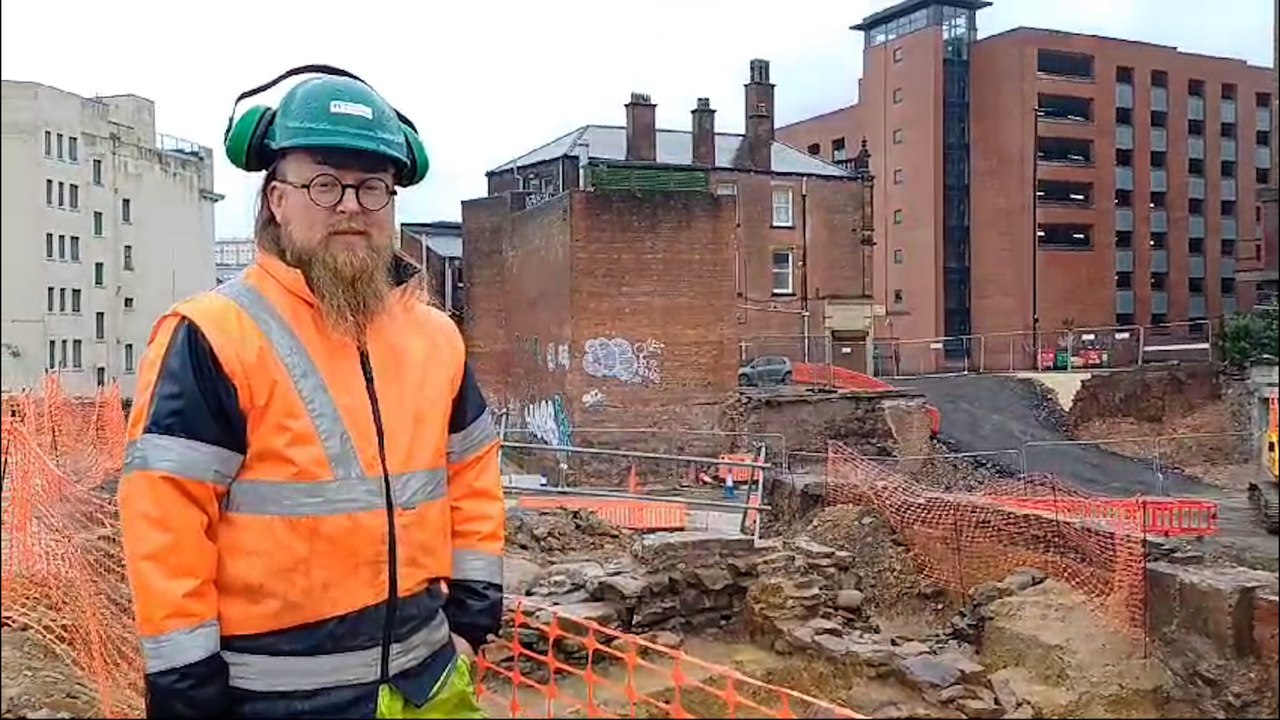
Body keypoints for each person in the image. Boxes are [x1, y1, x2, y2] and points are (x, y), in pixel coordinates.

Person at [117, 65, 504, 719]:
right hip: (275, 699)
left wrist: (472, 619)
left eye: (373, 187)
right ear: (276, 200)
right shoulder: (215, 334)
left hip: (428, 682)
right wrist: (185, 691)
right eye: (325, 183)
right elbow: (166, 525)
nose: (352, 205)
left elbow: (472, 475)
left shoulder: (437, 338)